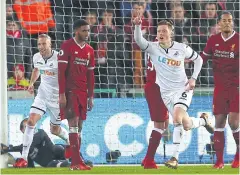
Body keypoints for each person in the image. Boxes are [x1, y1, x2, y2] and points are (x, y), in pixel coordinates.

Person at [133, 16, 214, 169]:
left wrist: (193, 79)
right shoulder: (153, 47)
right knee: (187, 124)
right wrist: (137, 26)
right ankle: (203, 121)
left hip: (182, 89)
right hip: (166, 94)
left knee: (176, 117)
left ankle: (174, 158)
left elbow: (199, 60)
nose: (161, 34)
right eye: (159, 31)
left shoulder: (181, 48)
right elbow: (139, 41)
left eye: (164, 31)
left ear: (171, 33)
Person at [13, 34, 69, 168]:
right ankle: (23, 158)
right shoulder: (36, 57)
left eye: (44, 44)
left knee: (54, 129)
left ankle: (69, 141)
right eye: (39, 44)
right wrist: (32, 83)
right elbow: (36, 70)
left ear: (50, 45)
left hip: (56, 99)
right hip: (42, 96)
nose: (41, 47)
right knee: (31, 121)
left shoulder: (59, 58)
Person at [201, 11, 239, 169]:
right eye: (224, 21)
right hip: (220, 88)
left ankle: (238, 156)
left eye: (230, 21)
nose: (227, 23)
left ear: (233, 23)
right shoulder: (213, 40)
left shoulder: (238, 40)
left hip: (236, 87)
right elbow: (202, 59)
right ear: (219, 23)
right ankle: (219, 161)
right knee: (219, 123)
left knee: (233, 122)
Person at [58, 19, 95, 170]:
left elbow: (90, 75)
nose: (87, 33)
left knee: (79, 127)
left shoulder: (90, 50)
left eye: (88, 30)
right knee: (72, 125)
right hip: (70, 91)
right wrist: (62, 94)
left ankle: (77, 159)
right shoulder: (66, 46)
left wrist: (90, 96)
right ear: (76, 31)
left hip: (82, 93)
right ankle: (75, 162)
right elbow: (60, 73)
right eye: (84, 30)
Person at [1, 118, 92, 168]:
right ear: (22, 130)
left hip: (59, 153)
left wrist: (9, 149)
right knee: (51, 165)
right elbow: (30, 167)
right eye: (27, 127)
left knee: (59, 148)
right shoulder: (24, 150)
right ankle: (70, 164)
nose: (31, 128)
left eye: (31, 125)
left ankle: (81, 161)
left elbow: (31, 144)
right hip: (50, 163)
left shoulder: (40, 133)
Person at [141, 54, 169, 169]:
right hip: (157, 88)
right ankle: (149, 160)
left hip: (161, 88)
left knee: (165, 124)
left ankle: (147, 158)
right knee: (159, 125)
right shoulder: (164, 48)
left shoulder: (154, 46)